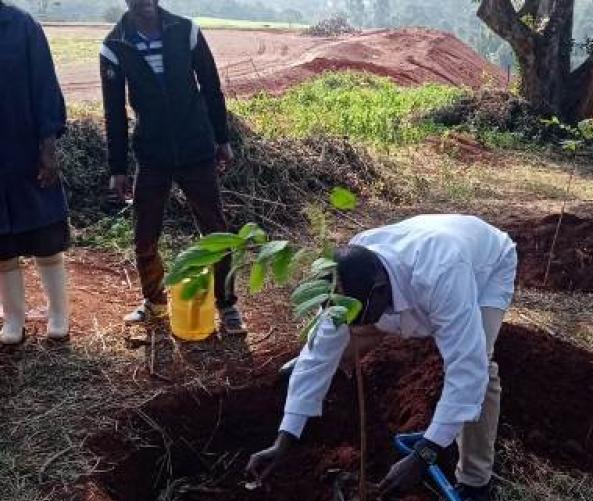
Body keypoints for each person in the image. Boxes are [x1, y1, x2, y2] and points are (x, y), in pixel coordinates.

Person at [246, 215, 518, 501]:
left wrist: (423, 455)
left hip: (486, 267)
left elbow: (467, 370)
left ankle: (475, 481)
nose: (348, 322)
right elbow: (317, 355)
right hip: (415, 274)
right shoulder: (349, 279)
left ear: (379, 293)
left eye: (354, 317)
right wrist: (284, 439)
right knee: (333, 345)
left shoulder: (441, 275)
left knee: (481, 369)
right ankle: (327, 390)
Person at [100, 0, 245, 334]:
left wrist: (222, 139)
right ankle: (154, 302)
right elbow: (114, 113)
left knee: (215, 231)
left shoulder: (186, 31)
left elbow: (211, 87)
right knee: (145, 235)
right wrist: (117, 168)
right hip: (152, 154)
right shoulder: (114, 46)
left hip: (196, 146)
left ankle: (227, 305)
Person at [0, 2, 70, 345]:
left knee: (44, 234)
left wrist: (48, 145)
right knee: (1, 245)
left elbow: (44, 86)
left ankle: (58, 314)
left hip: (25, 150)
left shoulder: (22, 26)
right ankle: (14, 319)